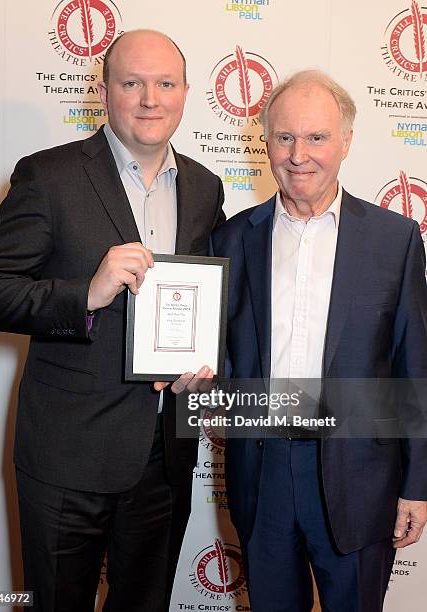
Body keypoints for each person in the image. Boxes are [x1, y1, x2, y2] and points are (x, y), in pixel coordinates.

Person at [0, 30, 224, 611]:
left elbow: (207, 303)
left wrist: (203, 368)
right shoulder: (47, 176)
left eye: (164, 83)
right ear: (104, 93)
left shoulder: (206, 189)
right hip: (67, 455)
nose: (149, 98)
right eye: (132, 83)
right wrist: (86, 293)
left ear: (185, 93)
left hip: (164, 452)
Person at [211, 70, 427, 611]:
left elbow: (415, 369)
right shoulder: (231, 239)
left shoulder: (394, 240)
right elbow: (221, 361)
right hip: (262, 476)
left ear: (346, 141)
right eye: (284, 137)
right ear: (265, 141)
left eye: (316, 137)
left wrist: (419, 483)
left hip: (362, 480)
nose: (298, 154)